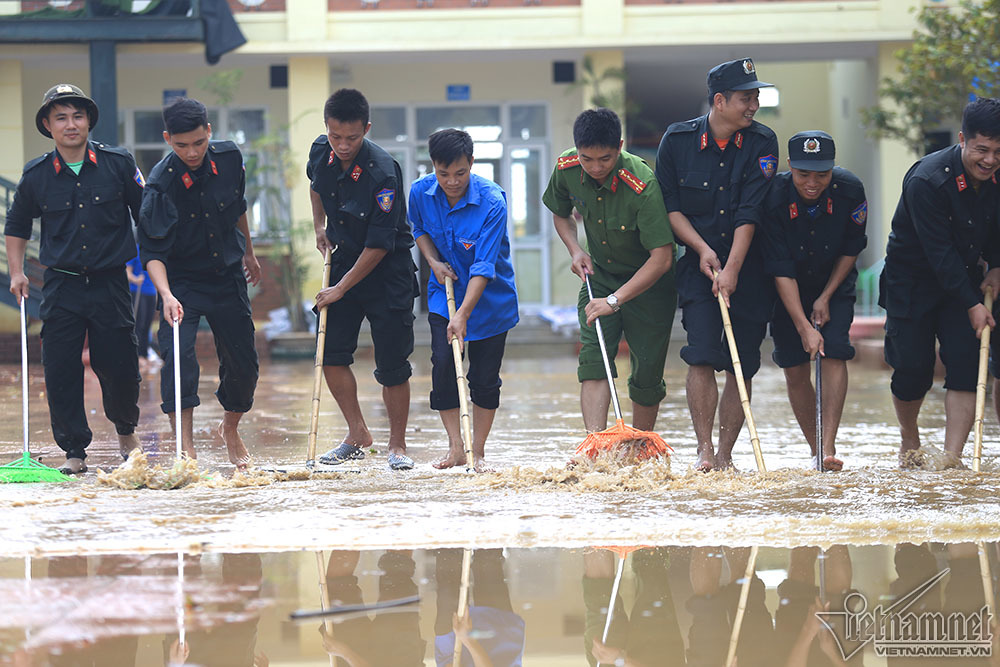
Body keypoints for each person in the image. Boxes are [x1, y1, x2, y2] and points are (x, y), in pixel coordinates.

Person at [4, 84, 143, 474]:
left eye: (77, 116)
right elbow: (16, 226)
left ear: (88, 122)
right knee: (60, 366)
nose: (70, 124)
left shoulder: (118, 164)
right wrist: (16, 272)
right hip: (61, 285)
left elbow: (146, 214)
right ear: (48, 125)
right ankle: (74, 451)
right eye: (61, 117)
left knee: (118, 365)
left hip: (110, 282)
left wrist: (152, 263)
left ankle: (125, 430)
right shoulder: (36, 175)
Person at [655, 57, 779, 472]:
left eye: (756, 97)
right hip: (698, 267)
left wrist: (733, 270)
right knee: (701, 354)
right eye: (747, 98)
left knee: (740, 363)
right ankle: (704, 450)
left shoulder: (763, 142)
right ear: (721, 100)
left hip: (750, 270)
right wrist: (703, 250)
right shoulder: (677, 140)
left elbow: (751, 212)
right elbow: (670, 208)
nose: (754, 106)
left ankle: (726, 455)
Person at [138, 97, 261, 470]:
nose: (191, 152)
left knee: (244, 362)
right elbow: (153, 250)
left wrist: (250, 253)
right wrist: (167, 295)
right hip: (181, 281)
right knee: (178, 356)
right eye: (181, 145)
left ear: (209, 132)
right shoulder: (160, 183)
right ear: (167, 139)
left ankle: (231, 427)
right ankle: (185, 446)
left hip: (226, 275)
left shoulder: (228, 158)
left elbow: (238, 207)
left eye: (198, 142)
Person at [542, 108, 675, 450]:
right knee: (594, 357)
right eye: (587, 159)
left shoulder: (641, 184)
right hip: (599, 276)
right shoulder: (567, 167)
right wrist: (575, 249)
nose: (596, 167)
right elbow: (560, 214)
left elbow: (661, 258)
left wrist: (615, 301)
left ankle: (640, 448)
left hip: (648, 282)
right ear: (577, 151)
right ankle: (595, 445)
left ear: (619, 147)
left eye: (606, 158)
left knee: (646, 371)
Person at [879, 97, 1000, 469]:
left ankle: (951, 459)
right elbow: (939, 253)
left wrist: (996, 265)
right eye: (982, 149)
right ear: (962, 139)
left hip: (963, 281)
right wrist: (974, 305)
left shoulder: (996, 176)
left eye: (998, 151)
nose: (990, 160)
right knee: (913, 370)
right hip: (912, 282)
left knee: (965, 365)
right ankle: (909, 439)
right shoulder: (927, 180)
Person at [308, 88, 419, 471]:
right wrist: (319, 225)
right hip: (342, 262)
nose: (342, 145)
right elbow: (316, 184)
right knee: (330, 354)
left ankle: (398, 446)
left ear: (366, 129)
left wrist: (340, 288)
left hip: (387, 271)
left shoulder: (382, 171)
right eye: (336, 136)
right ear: (327, 128)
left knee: (392, 363)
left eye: (352, 138)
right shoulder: (320, 151)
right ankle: (357, 434)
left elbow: (378, 245)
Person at [409, 129, 519, 472]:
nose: (452, 182)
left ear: (472, 163)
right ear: (433, 167)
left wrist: (465, 315)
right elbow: (419, 230)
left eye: (460, 173)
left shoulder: (492, 202)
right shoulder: (420, 193)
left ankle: (479, 451)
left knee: (484, 377)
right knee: (443, 365)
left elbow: (484, 266)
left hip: (490, 301)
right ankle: (457, 447)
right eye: (443, 174)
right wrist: (432, 262)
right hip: (446, 294)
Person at [761, 131, 868, 472]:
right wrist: (803, 325)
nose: (812, 182)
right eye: (804, 174)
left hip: (833, 284)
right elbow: (779, 268)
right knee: (794, 365)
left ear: (832, 169)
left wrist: (825, 297)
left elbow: (852, 248)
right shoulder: (773, 196)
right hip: (785, 287)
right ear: (789, 165)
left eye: (821, 174)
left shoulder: (850, 190)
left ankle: (829, 446)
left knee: (835, 351)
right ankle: (815, 446)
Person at [126, 242, 159, 370]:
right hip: (137, 291)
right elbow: (127, 272)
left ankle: (144, 355)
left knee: (147, 325)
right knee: (139, 324)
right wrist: (135, 278)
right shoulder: (135, 251)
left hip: (151, 291)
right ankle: (138, 356)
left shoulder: (153, 250)